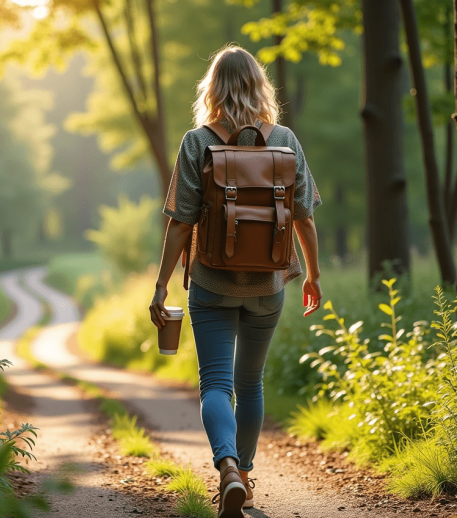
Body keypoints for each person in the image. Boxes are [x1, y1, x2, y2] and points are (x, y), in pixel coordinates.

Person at [148, 45, 323, 518]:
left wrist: (162, 284)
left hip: (210, 282)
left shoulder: (197, 141)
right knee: (251, 385)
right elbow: (304, 217)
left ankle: (226, 468)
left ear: (212, 89)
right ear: (259, 84)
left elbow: (181, 223)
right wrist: (312, 275)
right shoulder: (284, 139)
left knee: (215, 384)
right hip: (269, 285)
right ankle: (244, 473)